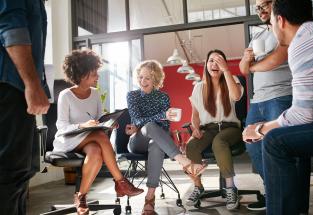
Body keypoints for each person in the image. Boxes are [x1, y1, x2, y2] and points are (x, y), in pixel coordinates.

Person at [242, 0, 313, 214]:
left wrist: (261, 129)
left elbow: (303, 115)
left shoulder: (303, 42)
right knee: (286, 135)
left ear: (280, 20)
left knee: (275, 141)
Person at [53, 49, 143, 215]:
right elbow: (62, 126)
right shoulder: (66, 95)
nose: (98, 76)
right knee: (100, 137)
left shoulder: (95, 93)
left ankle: (81, 197)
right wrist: (83, 125)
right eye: (94, 73)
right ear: (82, 74)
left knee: (95, 152)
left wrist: (109, 123)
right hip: (68, 140)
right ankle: (121, 181)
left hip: (90, 139)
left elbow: (98, 118)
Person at [125, 60, 207, 215]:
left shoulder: (163, 97)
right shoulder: (133, 96)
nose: (143, 81)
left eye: (147, 78)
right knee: (149, 126)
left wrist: (163, 118)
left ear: (155, 79)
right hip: (137, 140)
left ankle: (150, 198)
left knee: (156, 144)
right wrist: (162, 115)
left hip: (155, 140)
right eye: (141, 77)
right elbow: (137, 120)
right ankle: (185, 162)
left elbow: (165, 128)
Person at [238, 0, 294, 211]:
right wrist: (246, 59)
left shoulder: (284, 29)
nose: (260, 10)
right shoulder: (258, 35)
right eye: (257, 7)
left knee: (276, 148)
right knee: (252, 145)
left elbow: (277, 59)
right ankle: (274, 190)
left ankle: (283, 198)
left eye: (264, 5)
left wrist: (254, 66)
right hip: (257, 100)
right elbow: (244, 69)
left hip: (281, 96)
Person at [0, 1, 50, 214]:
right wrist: (31, 84)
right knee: (10, 174)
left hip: (16, 87)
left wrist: (39, 85)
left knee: (19, 173)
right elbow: (11, 28)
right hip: (10, 86)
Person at [185, 49, 244, 210]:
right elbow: (195, 115)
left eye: (218, 61)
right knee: (190, 145)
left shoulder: (233, 80)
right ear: (206, 65)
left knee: (219, 142)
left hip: (230, 128)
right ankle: (198, 186)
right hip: (208, 129)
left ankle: (231, 188)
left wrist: (226, 70)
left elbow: (237, 96)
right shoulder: (198, 88)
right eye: (211, 60)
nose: (214, 64)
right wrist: (195, 128)